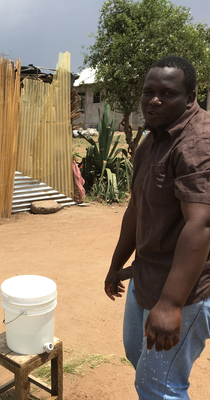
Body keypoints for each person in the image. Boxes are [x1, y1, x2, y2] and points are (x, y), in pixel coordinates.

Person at [104, 55, 210, 399]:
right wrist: (117, 263)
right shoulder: (152, 140)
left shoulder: (198, 142)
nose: (154, 100)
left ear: (191, 97)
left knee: (159, 384)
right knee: (138, 357)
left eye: (167, 93)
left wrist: (171, 305)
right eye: (148, 92)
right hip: (147, 275)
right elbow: (137, 208)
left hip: (185, 288)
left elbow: (202, 223)